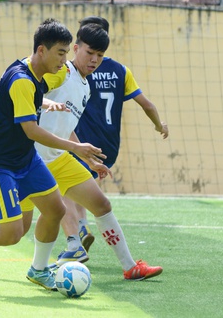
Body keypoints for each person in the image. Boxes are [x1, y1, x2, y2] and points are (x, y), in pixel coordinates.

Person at [0, 23, 163, 281]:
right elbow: (33, 90)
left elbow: (65, 127)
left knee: (101, 204)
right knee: (18, 229)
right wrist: (46, 103)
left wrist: (86, 156)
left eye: (100, 56)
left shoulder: (85, 85)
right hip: (31, 160)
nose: (94, 60)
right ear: (76, 49)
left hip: (58, 159)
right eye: (89, 53)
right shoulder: (61, 72)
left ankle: (130, 266)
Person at [0, 19, 105, 290]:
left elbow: (27, 101)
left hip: (24, 158)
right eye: (61, 53)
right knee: (12, 233)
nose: (65, 62)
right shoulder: (21, 80)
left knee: (55, 209)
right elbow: (31, 130)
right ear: (42, 50)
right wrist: (76, 148)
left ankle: (38, 270)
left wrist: (46, 102)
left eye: (67, 53)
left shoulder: (35, 73)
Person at [61, 16, 169, 257]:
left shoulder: (71, 70)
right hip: (110, 143)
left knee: (63, 186)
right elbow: (148, 105)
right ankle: (83, 229)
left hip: (79, 139)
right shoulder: (120, 70)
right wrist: (158, 124)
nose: (94, 58)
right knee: (81, 183)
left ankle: (78, 231)